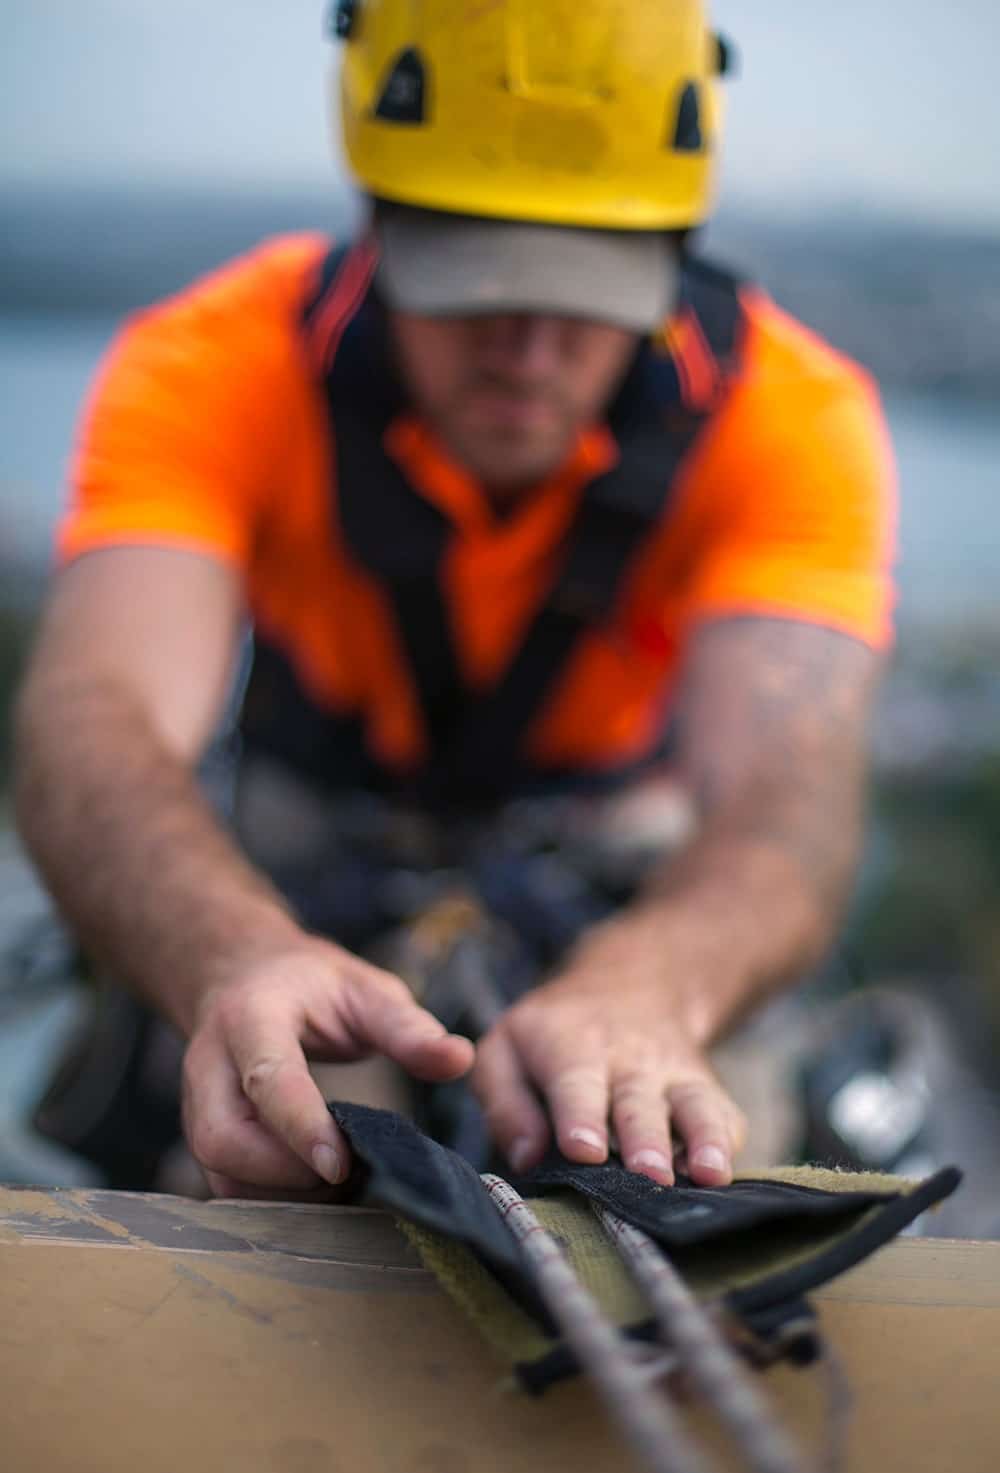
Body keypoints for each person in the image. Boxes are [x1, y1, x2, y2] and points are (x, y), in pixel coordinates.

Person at [13, 0, 895, 1201]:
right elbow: (95, 711)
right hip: (316, 820)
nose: (528, 346)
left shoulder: (790, 417)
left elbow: (783, 799)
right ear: (373, 225)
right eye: (474, 276)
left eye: (586, 285)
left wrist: (655, 986)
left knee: (698, 1154)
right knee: (263, 1155)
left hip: (607, 835)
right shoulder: (213, 365)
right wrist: (227, 954)